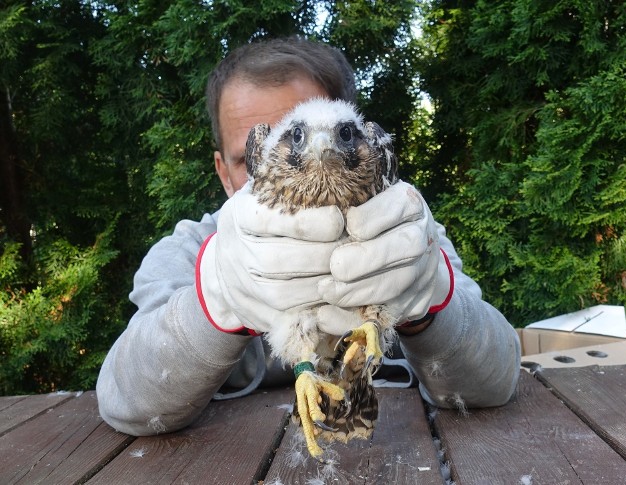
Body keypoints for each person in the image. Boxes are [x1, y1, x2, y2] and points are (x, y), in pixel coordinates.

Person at [96, 37, 521, 436]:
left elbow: (497, 382)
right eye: (250, 158)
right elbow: (126, 401)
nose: (300, 159)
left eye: (332, 134)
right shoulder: (190, 248)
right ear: (224, 174)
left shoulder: (407, 236)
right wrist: (216, 299)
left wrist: (430, 303)